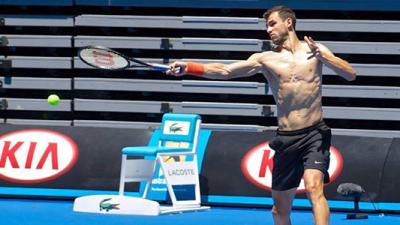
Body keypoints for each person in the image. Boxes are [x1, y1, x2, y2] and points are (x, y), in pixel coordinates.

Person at [167, 5, 356, 225]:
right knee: (279, 210)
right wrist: (190, 67)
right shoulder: (265, 59)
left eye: (272, 23)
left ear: (289, 23)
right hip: (286, 138)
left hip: (315, 133)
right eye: (267, 25)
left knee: (314, 188)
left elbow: (350, 74)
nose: (268, 29)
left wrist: (324, 57)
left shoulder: (316, 51)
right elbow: (226, 71)